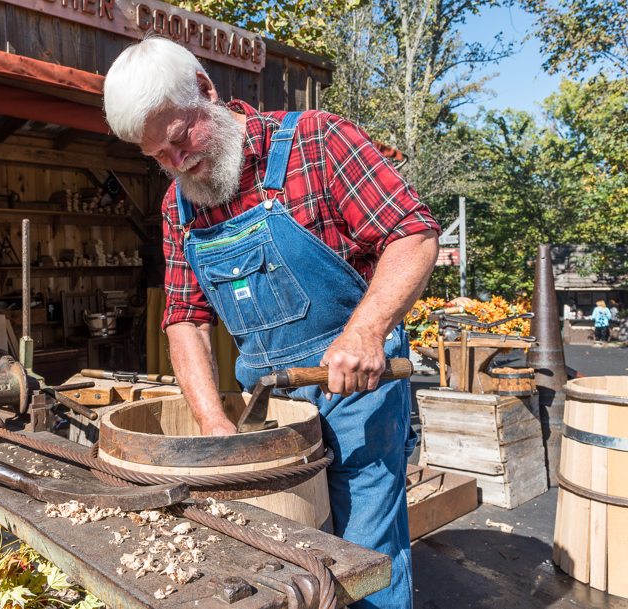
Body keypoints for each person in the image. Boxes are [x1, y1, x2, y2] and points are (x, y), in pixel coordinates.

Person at [103, 37, 440, 609]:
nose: (175, 163)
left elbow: (412, 232)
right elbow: (184, 318)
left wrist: (365, 332)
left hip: (355, 386)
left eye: (181, 139)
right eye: (156, 155)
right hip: (266, 400)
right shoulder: (176, 206)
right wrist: (213, 423)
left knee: (363, 547)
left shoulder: (317, 141)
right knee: (273, 558)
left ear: (208, 92)